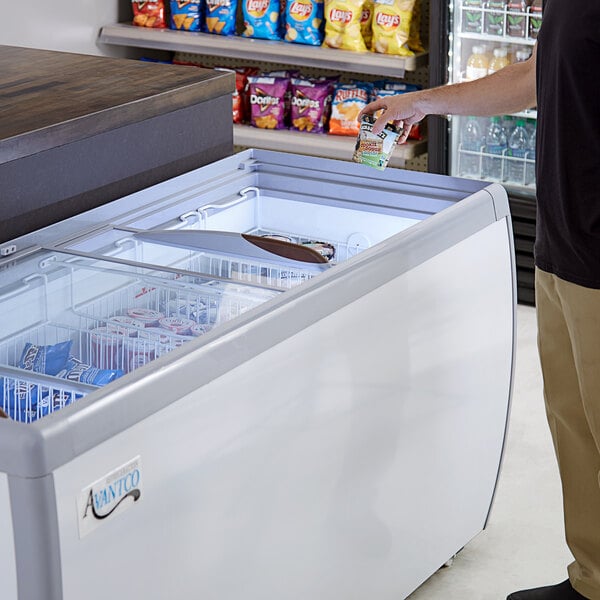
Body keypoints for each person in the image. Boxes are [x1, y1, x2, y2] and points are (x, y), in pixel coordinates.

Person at [360, 2, 600, 599]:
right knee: (574, 428)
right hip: (563, 241)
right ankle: (593, 580)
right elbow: (536, 75)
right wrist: (422, 101)